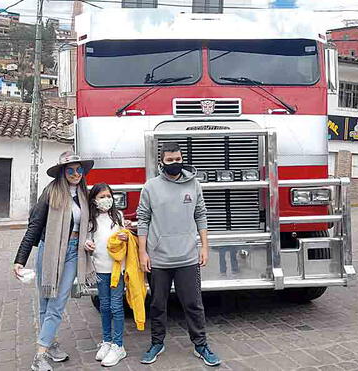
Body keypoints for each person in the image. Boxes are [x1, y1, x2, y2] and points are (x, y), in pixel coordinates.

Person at [137, 142, 221, 367]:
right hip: (159, 258)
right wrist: (142, 252)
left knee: (194, 304)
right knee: (157, 304)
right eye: (170, 160)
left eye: (178, 159)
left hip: (187, 257)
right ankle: (157, 343)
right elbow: (142, 220)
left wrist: (204, 247)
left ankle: (201, 345)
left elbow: (201, 214)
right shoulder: (150, 187)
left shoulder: (193, 185)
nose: (175, 163)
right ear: (161, 162)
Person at [13, 152, 94, 371]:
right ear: (62, 172)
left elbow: (89, 224)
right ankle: (46, 349)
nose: (76, 174)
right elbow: (34, 226)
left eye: (79, 170)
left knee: (57, 303)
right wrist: (20, 259)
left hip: (72, 253)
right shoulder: (51, 193)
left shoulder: (84, 194)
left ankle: (42, 350)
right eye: (70, 170)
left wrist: (88, 240)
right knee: (46, 303)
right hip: (49, 252)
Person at [84, 183, 129, 367]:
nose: (106, 199)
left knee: (116, 306)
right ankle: (107, 341)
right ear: (94, 200)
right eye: (101, 197)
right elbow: (86, 240)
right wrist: (87, 244)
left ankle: (119, 346)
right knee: (104, 305)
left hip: (116, 269)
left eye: (108, 196)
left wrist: (126, 235)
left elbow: (124, 236)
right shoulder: (90, 220)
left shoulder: (118, 216)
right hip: (100, 269)